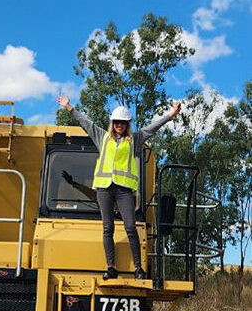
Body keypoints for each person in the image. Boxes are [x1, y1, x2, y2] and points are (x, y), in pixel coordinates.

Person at [58, 96, 182, 280]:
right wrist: (69, 107)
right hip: (104, 189)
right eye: (117, 122)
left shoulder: (135, 140)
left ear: (127, 124)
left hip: (124, 191)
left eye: (123, 123)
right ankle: (111, 268)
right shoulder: (102, 137)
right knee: (108, 228)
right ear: (112, 123)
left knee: (131, 227)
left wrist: (171, 114)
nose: (119, 125)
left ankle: (138, 268)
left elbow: (153, 127)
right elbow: (85, 122)